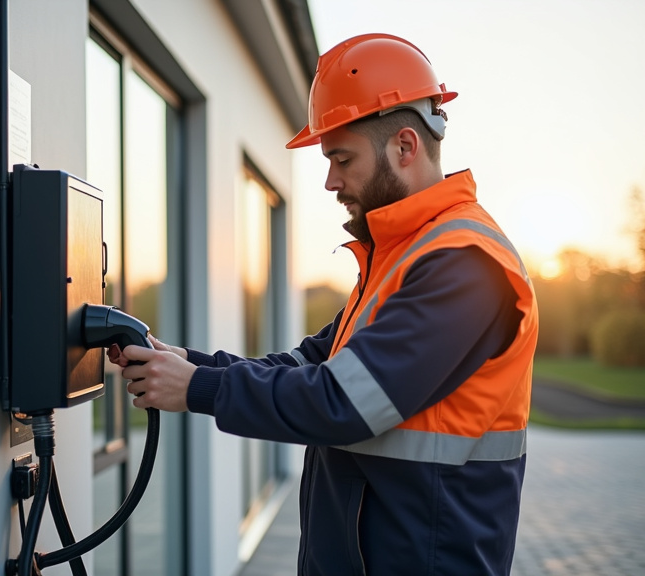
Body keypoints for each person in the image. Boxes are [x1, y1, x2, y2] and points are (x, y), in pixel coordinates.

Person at [109, 33, 539, 575]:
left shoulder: (464, 265)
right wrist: (188, 364)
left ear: (405, 147)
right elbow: (307, 364)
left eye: (342, 158)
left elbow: (344, 403)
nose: (331, 181)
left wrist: (197, 388)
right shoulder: (401, 258)